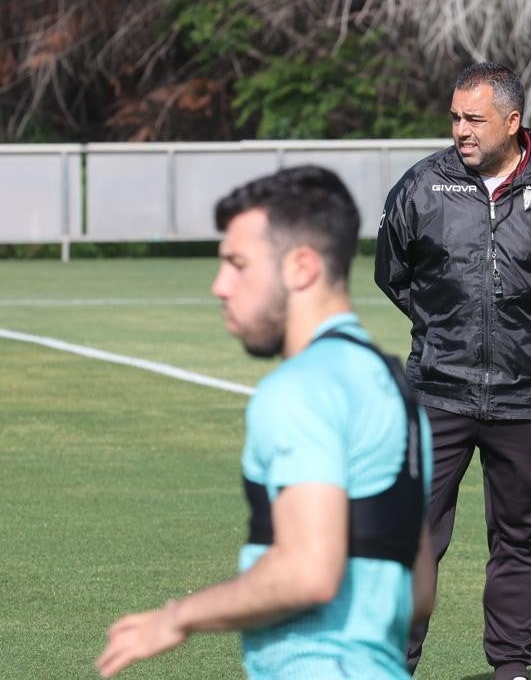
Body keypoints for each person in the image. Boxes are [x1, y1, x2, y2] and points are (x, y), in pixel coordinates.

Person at [96, 165, 435, 678]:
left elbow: (307, 572)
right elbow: (420, 589)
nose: (219, 286)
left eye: (237, 264)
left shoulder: (298, 389)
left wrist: (177, 617)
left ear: (301, 267)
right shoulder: (396, 388)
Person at [375, 61, 531, 680]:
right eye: (454, 117)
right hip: (438, 395)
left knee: (517, 542)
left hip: (527, 401)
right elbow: (392, 273)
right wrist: (445, 331)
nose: (460, 130)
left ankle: (512, 672)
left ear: (512, 121)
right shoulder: (422, 186)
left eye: (473, 118)